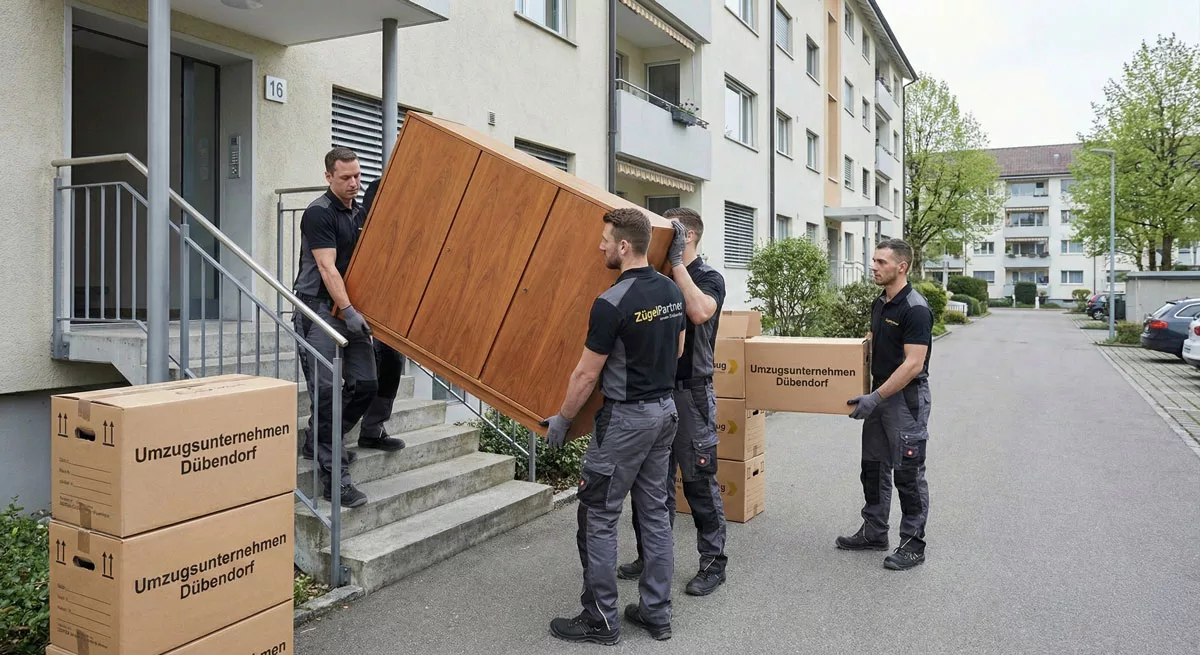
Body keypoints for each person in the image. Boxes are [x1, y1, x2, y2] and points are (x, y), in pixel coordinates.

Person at [541, 208, 685, 645]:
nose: (600, 246)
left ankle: (600, 619)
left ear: (624, 245)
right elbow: (678, 350)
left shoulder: (611, 302)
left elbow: (586, 375)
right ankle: (656, 612)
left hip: (626, 422)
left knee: (598, 516)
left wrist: (564, 420)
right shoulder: (671, 290)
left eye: (606, 239)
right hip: (664, 413)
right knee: (655, 514)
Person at [618, 207, 728, 597]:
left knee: (698, 481)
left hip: (691, 392)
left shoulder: (708, 277)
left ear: (688, 236)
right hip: (656, 394)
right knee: (652, 485)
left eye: (671, 231)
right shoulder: (659, 275)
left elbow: (698, 312)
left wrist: (678, 262)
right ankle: (650, 557)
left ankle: (713, 564)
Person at [292, 147, 394, 510]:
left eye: (357, 176)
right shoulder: (319, 213)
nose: (354, 183)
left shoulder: (359, 213)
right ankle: (336, 481)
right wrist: (348, 310)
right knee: (326, 396)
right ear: (328, 177)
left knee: (366, 384)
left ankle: (319, 438)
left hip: (351, 310)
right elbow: (326, 266)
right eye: (345, 177)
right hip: (319, 312)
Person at [840, 238, 933, 571]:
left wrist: (877, 397)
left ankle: (912, 545)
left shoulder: (915, 308)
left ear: (901, 267)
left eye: (881, 262)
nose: (874, 267)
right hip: (878, 396)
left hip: (904, 400)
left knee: (908, 474)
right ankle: (874, 530)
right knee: (873, 466)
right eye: (874, 260)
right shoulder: (880, 303)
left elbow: (913, 364)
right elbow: (872, 344)